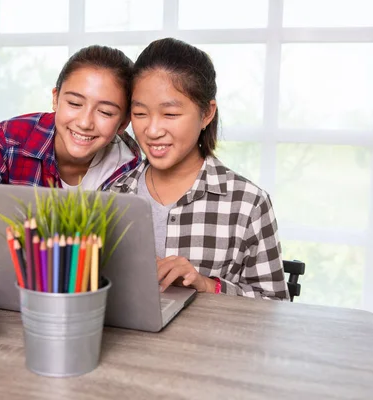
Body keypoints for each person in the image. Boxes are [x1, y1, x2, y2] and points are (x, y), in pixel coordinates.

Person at [109, 38, 289, 300]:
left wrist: (207, 285)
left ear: (206, 114)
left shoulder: (247, 203)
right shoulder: (115, 194)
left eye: (170, 114)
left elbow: (275, 308)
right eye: (140, 114)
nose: (153, 130)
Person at [0, 45, 142, 273]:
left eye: (105, 113)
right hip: (3, 286)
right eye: (75, 104)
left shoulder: (130, 168)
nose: (85, 122)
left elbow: (117, 268)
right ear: (56, 98)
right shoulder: (8, 141)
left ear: (124, 122)